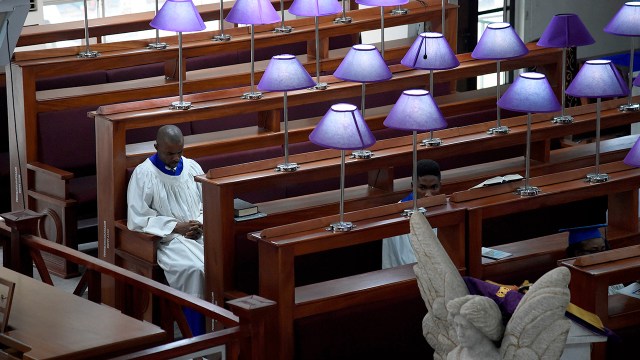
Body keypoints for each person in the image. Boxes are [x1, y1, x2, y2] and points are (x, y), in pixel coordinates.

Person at [127, 124, 206, 335]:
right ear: (156, 147)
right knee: (196, 269)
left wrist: (198, 223)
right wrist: (175, 227)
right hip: (168, 240)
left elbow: (206, 201)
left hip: (200, 233)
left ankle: (221, 329)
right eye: (170, 153)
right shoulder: (144, 174)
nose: (177, 158)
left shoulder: (192, 168)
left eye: (180, 152)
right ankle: (195, 336)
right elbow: (138, 218)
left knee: (222, 260)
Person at [382, 159, 441, 269]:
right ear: (413, 186)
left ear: (440, 186)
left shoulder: (444, 207)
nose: (428, 194)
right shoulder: (400, 214)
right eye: (422, 188)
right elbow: (408, 259)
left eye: (434, 187)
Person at [446, 295, 503, 360]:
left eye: (465, 327)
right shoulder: (453, 356)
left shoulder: (502, 357)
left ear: (483, 328)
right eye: (456, 325)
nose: (459, 333)